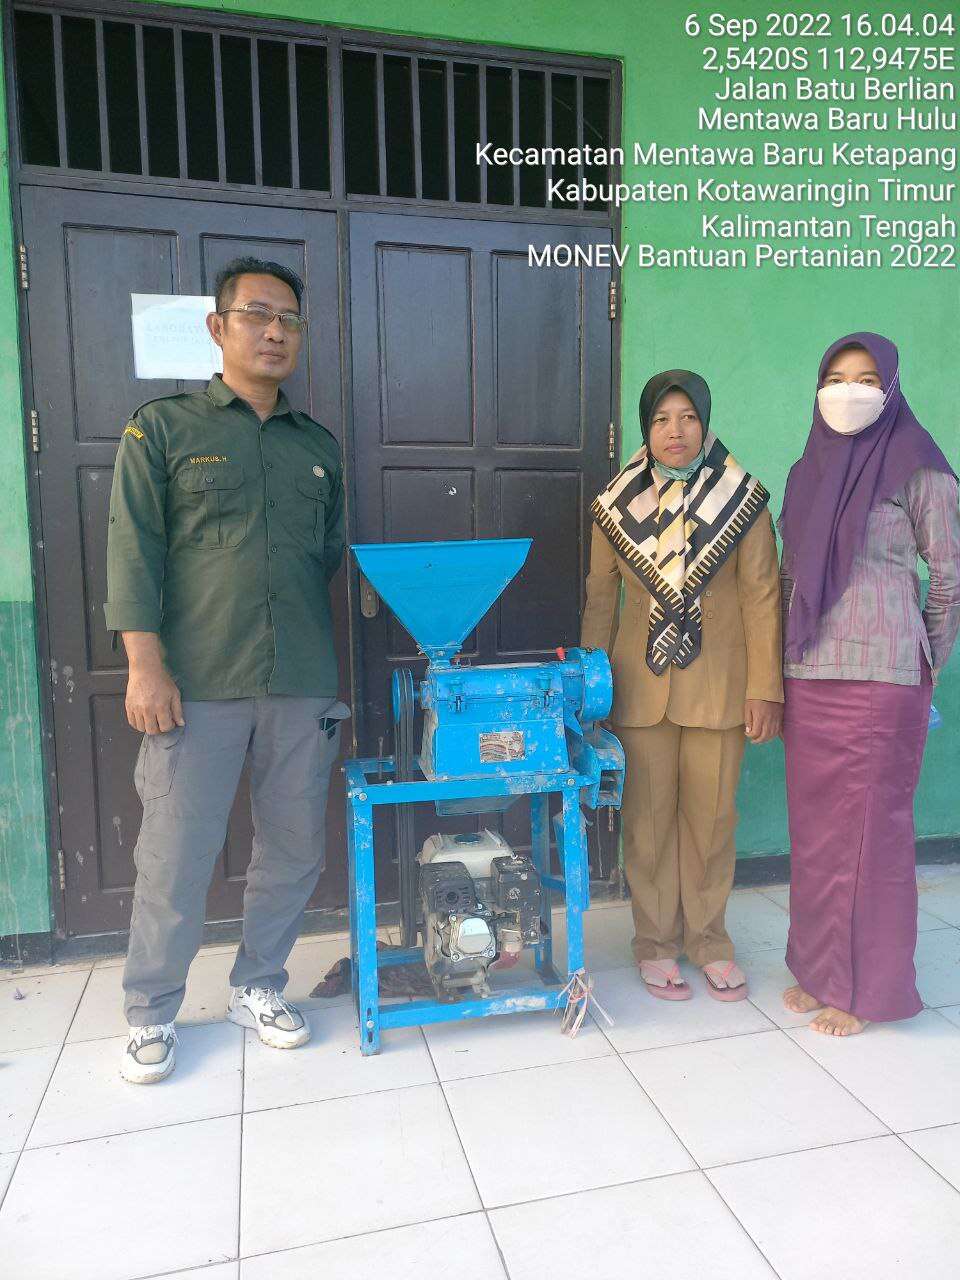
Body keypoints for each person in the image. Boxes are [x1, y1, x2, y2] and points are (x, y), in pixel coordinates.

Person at [105, 257, 348, 1083]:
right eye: (256, 315)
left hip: (300, 677)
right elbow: (132, 553)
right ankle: (150, 1010)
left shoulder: (317, 447)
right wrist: (145, 666)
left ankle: (258, 984)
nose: (274, 332)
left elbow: (325, 557)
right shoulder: (163, 430)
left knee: (293, 848)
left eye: (288, 320)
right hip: (196, 681)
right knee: (175, 855)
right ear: (218, 327)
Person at [780, 332, 960, 1036]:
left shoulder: (919, 467)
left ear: (891, 388)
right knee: (816, 836)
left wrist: (926, 659)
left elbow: (948, 579)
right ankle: (816, 971)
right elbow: (791, 578)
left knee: (869, 840)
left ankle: (862, 991)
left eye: (865, 379)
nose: (847, 391)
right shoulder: (807, 470)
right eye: (835, 377)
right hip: (810, 674)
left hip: (884, 678)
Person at [581, 370, 783, 1001]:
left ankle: (710, 942)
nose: (676, 431)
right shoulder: (616, 505)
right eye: (662, 419)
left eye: (688, 417)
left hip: (720, 688)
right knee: (646, 827)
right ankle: (654, 944)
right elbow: (599, 600)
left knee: (713, 820)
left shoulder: (742, 499)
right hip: (638, 689)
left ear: (705, 424)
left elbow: (762, 597)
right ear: (646, 429)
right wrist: (591, 686)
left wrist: (766, 688)